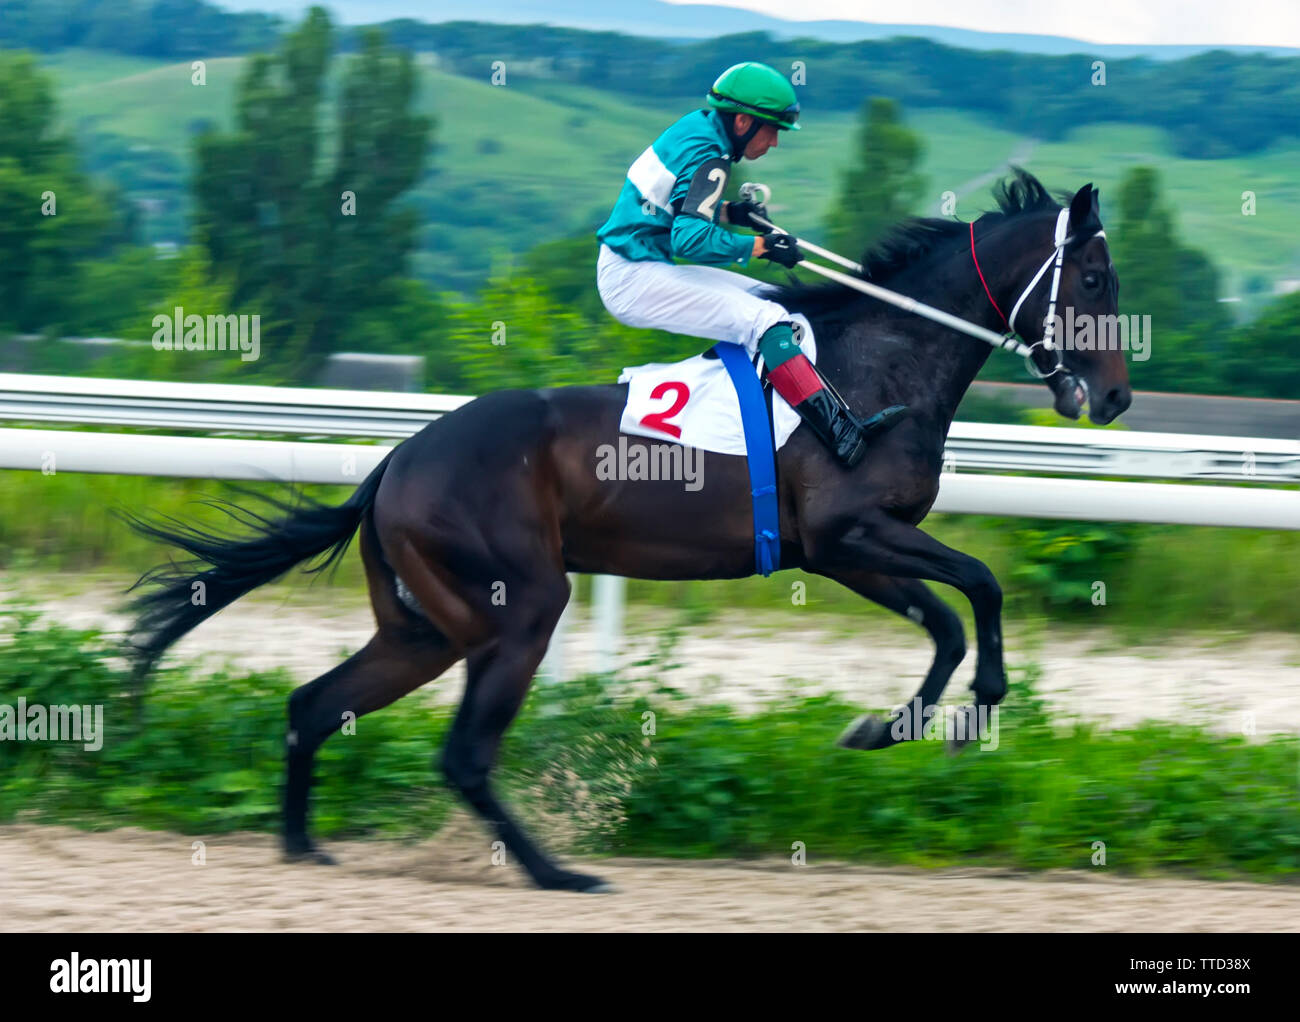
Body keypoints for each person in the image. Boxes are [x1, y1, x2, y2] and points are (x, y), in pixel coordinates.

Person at [595, 61, 907, 467]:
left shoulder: (699, 129)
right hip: (633, 278)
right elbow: (688, 238)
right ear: (743, 121)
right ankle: (842, 437)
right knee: (767, 321)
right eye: (772, 129)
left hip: (640, 264)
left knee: (770, 298)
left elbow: (679, 209)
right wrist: (760, 247)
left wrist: (733, 214)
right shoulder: (710, 153)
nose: (775, 142)